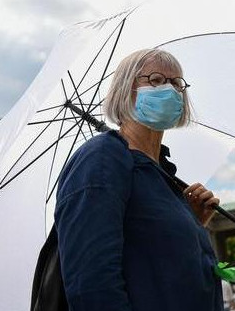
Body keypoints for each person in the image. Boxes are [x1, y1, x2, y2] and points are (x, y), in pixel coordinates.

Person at [55, 49, 222, 310]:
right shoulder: (101, 159)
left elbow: (154, 260)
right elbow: (92, 283)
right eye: (155, 80)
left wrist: (191, 221)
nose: (170, 89)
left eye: (177, 83)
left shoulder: (162, 170)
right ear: (125, 90)